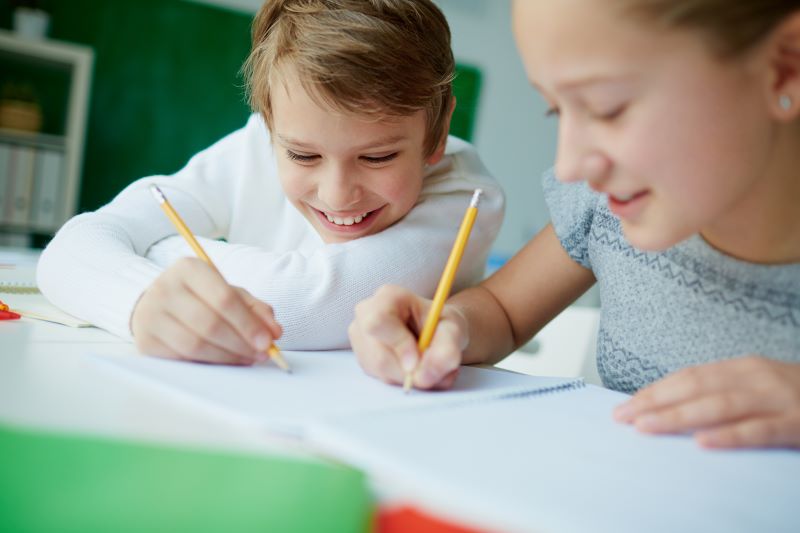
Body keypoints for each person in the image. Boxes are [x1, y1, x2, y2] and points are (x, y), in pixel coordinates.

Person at [349, 0, 800, 449]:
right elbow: (502, 312)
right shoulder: (605, 204)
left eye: (608, 109)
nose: (568, 166)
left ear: (784, 66)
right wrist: (448, 324)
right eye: (557, 111)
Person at [37, 0, 504, 365]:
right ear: (269, 124)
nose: (338, 193)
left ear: (436, 135)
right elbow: (69, 250)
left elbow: (297, 307)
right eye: (303, 155)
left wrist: (152, 250)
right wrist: (138, 301)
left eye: (377, 156)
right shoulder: (256, 144)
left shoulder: (466, 195)